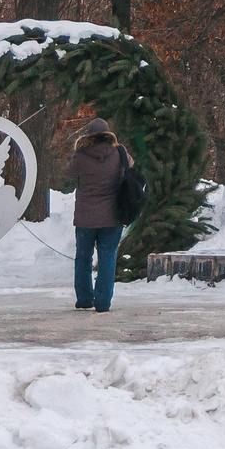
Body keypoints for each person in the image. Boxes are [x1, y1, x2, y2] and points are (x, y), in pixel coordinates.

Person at [67, 118, 133, 312]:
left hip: (85, 217)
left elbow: (68, 172)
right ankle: (103, 303)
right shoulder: (119, 153)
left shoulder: (81, 155)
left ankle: (85, 299)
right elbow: (131, 164)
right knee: (107, 258)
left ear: (88, 135)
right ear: (108, 134)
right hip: (112, 216)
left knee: (83, 258)